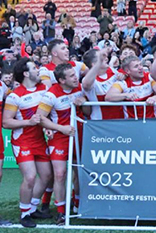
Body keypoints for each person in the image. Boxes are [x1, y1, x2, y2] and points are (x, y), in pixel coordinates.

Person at [36, 63, 89, 225]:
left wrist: (83, 103)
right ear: (61, 80)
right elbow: (40, 118)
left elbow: (88, 113)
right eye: (71, 76)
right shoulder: (51, 94)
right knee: (59, 174)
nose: (76, 78)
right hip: (60, 137)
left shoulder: (80, 88)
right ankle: (60, 211)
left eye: (75, 74)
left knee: (79, 172)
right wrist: (61, 128)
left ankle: (78, 205)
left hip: (80, 135)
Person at [3, 58, 53, 228]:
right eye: (34, 68)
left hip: (40, 140)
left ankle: (32, 208)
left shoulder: (44, 89)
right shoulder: (15, 96)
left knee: (46, 176)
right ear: (26, 73)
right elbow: (6, 122)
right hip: (23, 141)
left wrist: (49, 127)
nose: (38, 70)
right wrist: (28, 122)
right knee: (30, 177)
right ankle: (24, 214)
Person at [82, 49, 124, 120]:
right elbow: (86, 84)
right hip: (100, 122)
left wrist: (123, 76)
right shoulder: (90, 80)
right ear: (94, 64)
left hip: (120, 119)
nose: (106, 58)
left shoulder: (112, 71)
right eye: (101, 58)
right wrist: (99, 62)